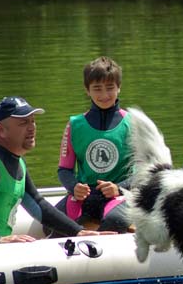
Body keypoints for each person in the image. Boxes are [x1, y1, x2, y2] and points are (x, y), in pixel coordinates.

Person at [0, 96, 111, 245]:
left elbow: (37, 205)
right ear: (1, 131)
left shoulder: (16, 160)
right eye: (23, 123)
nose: (32, 127)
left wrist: (78, 231)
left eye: (33, 121)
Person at [55, 56, 132, 232]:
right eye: (97, 88)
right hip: (85, 196)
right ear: (87, 90)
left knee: (115, 221)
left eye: (110, 88)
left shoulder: (132, 123)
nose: (104, 95)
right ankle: (91, 227)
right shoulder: (74, 125)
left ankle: (102, 228)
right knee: (51, 223)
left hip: (118, 195)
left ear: (119, 87)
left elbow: (145, 172)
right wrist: (74, 187)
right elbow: (64, 170)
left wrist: (119, 188)